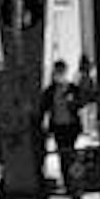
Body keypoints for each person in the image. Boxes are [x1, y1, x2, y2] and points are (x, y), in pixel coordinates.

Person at [41, 57, 88, 192]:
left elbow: (81, 103)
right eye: (57, 71)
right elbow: (44, 107)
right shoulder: (51, 90)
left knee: (71, 153)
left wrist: (72, 102)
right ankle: (67, 180)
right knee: (62, 153)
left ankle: (73, 181)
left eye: (62, 71)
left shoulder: (72, 88)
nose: (59, 74)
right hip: (58, 126)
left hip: (71, 125)